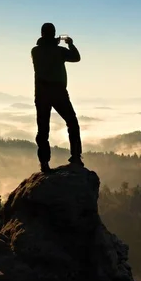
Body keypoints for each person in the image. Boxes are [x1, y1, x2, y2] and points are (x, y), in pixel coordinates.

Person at [31, 22, 83, 172]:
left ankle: (44, 163)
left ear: (41, 34)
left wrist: (54, 42)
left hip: (41, 93)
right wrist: (70, 44)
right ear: (54, 34)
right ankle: (76, 157)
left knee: (43, 130)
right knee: (72, 122)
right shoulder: (59, 51)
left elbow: (46, 52)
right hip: (58, 92)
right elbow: (76, 57)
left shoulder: (35, 51)